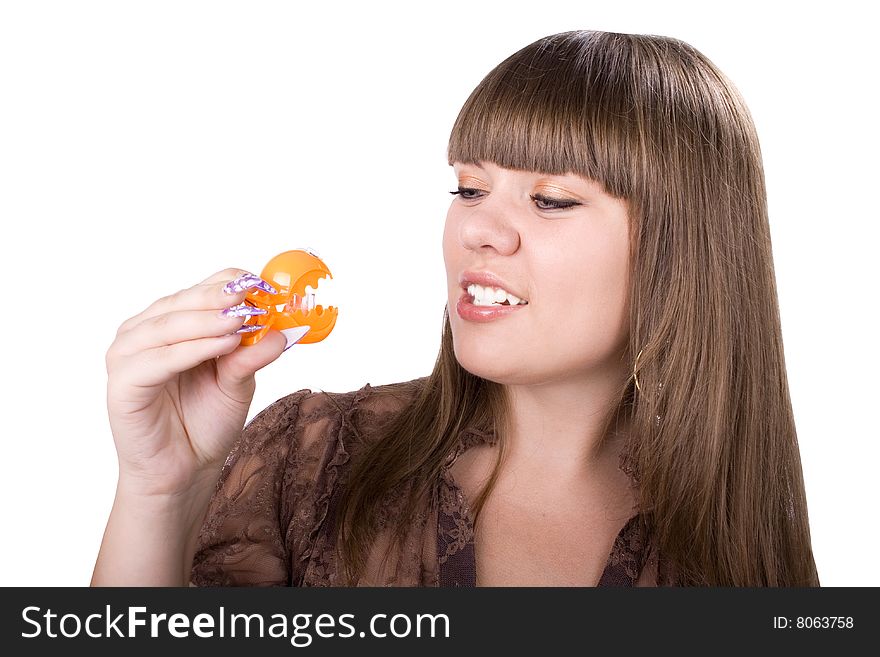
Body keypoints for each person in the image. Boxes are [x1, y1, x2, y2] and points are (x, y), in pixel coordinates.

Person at [91, 29, 820, 587]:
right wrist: (160, 491)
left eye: (551, 199)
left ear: (684, 248)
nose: (477, 229)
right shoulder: (304, 463)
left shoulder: (741, 550)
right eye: (470, 189)